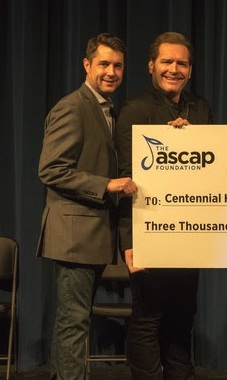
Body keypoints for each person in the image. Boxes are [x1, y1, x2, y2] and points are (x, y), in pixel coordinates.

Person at [37, 33, 136, 380]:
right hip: (74, 236)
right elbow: (50, 169)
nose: (111, 72)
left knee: (73, 321)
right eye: (104, 64)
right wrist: (105, 185)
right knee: (74, 322)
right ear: (87, 65)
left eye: (118, 65)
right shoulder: (72, 107)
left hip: (91, 237)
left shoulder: (107, 109)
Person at [115, 32, 213, 379]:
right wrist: (129, 242)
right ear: (151, 66)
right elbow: (126, 178)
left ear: (190, 68)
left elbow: (209, 169)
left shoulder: (200, 108)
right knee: (148, 317)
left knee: (183, 317)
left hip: (189, 234)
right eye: (167, 62)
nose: (174, 68)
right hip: (149, 231)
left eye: (182, 63)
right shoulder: (135, 109)